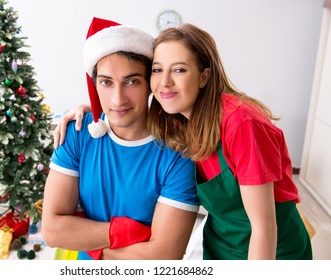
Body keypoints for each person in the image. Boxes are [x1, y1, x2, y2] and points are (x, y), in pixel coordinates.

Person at [55, 23, 312, 260]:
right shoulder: (177, 118)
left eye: (179, 69)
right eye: (158, 70)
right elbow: (125, 108)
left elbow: (264, 227)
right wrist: (92, 108)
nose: (165, 82)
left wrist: (96, 248)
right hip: (220, 246)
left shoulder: (241, 125)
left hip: (271, 251)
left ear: (204, 76)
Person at [42, 17, 200, 260]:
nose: (118, 99)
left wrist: (89, 242)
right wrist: (124, 232)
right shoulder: (77, 133)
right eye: (106, 82)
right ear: (95, 85)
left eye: (132, 82)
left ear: (150, 83)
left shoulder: (178, 155)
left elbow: (163, 257)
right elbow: (52, 231)